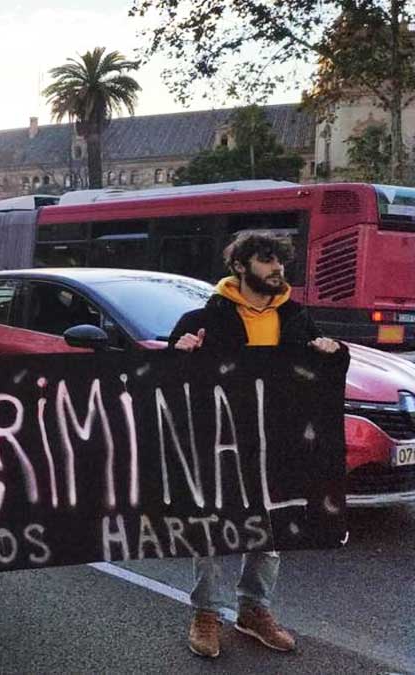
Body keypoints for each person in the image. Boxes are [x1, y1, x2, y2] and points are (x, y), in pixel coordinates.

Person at [169, 232, 341, 659]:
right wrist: (177, 352)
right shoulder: (203, 319)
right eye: (266, 261)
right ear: (241, 267)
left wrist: (331, 353)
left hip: (278, 442)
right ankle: (206, 612)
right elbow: (169, 380)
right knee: (212, 527)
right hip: (217, 440)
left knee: (271, 527)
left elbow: (325, 373)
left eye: (279, 261)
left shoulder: (298, 318)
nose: (277, 269)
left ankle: (254, 609)